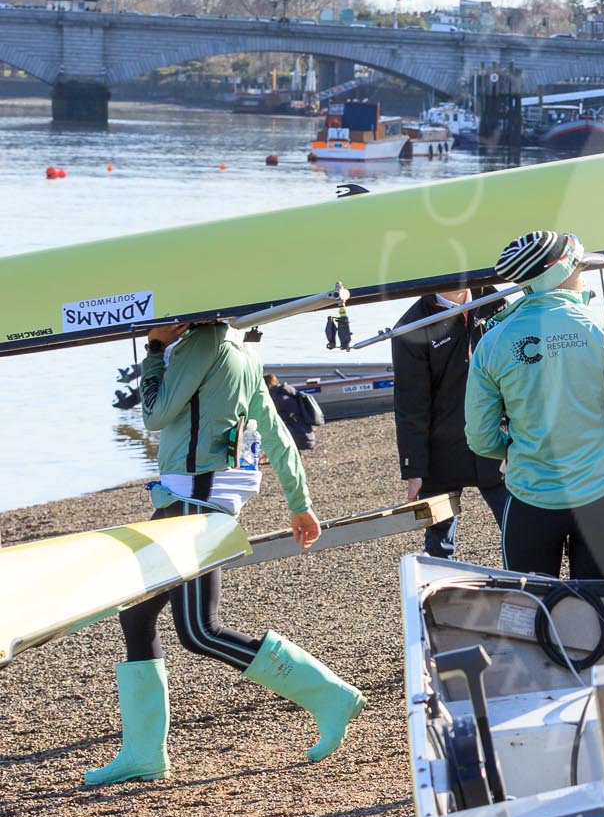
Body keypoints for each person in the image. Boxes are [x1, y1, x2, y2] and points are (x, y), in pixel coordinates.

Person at [84, 321, 362, 785]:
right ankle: (143, 753)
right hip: (196, 501)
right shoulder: (239, 347)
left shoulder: (200, 344)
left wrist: (154, 349)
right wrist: (300, 504)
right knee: (136, 616)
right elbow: (274, 431)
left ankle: (330, 695)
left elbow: (152, 413)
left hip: (192, 505)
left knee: (199, 630)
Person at [466, 232, 604, 583]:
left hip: (530, 501)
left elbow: (479, 437)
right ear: (561, 271)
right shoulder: (602, 331)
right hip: (600, 498)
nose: (584, 273)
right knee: (600, 618)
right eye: (581, 265)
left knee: (533, 617)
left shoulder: (492, 342)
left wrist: (516, 447)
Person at [393, 285, 509, 559]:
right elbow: (410, 403)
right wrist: (413, 467)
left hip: (497, 440)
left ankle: (529, 589)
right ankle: (435, 595)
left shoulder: (497, 304)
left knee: (519, 528)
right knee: (439, 543)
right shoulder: (412, 325)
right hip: (441, 451)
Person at [264, 370, 321, 452]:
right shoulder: (287, 392)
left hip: (296, 433)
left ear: (267, 385)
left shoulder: (278, 397)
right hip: (304, 431)